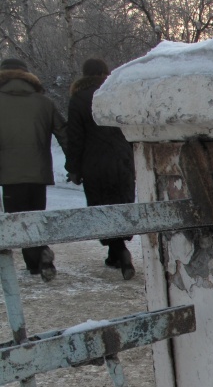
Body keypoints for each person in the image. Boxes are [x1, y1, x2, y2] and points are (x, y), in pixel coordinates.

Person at [66, 58, 136, 280]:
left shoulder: (79, 99)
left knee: (102, 208)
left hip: (95, 164)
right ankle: (115, 254)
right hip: (123, 160)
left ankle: (121, 253)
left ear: (84, 74)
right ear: (106, 73)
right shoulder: (118, 94)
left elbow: (75, 138)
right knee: (120, 205)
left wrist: (73, 168)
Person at [0, 58, 68, 280]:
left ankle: (37, 263)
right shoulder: (44, 103)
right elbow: (64, 134)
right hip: (39, 172)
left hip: (9, 174)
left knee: (20, 221)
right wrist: (74, 164)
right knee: (37, 216)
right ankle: (41, 257)